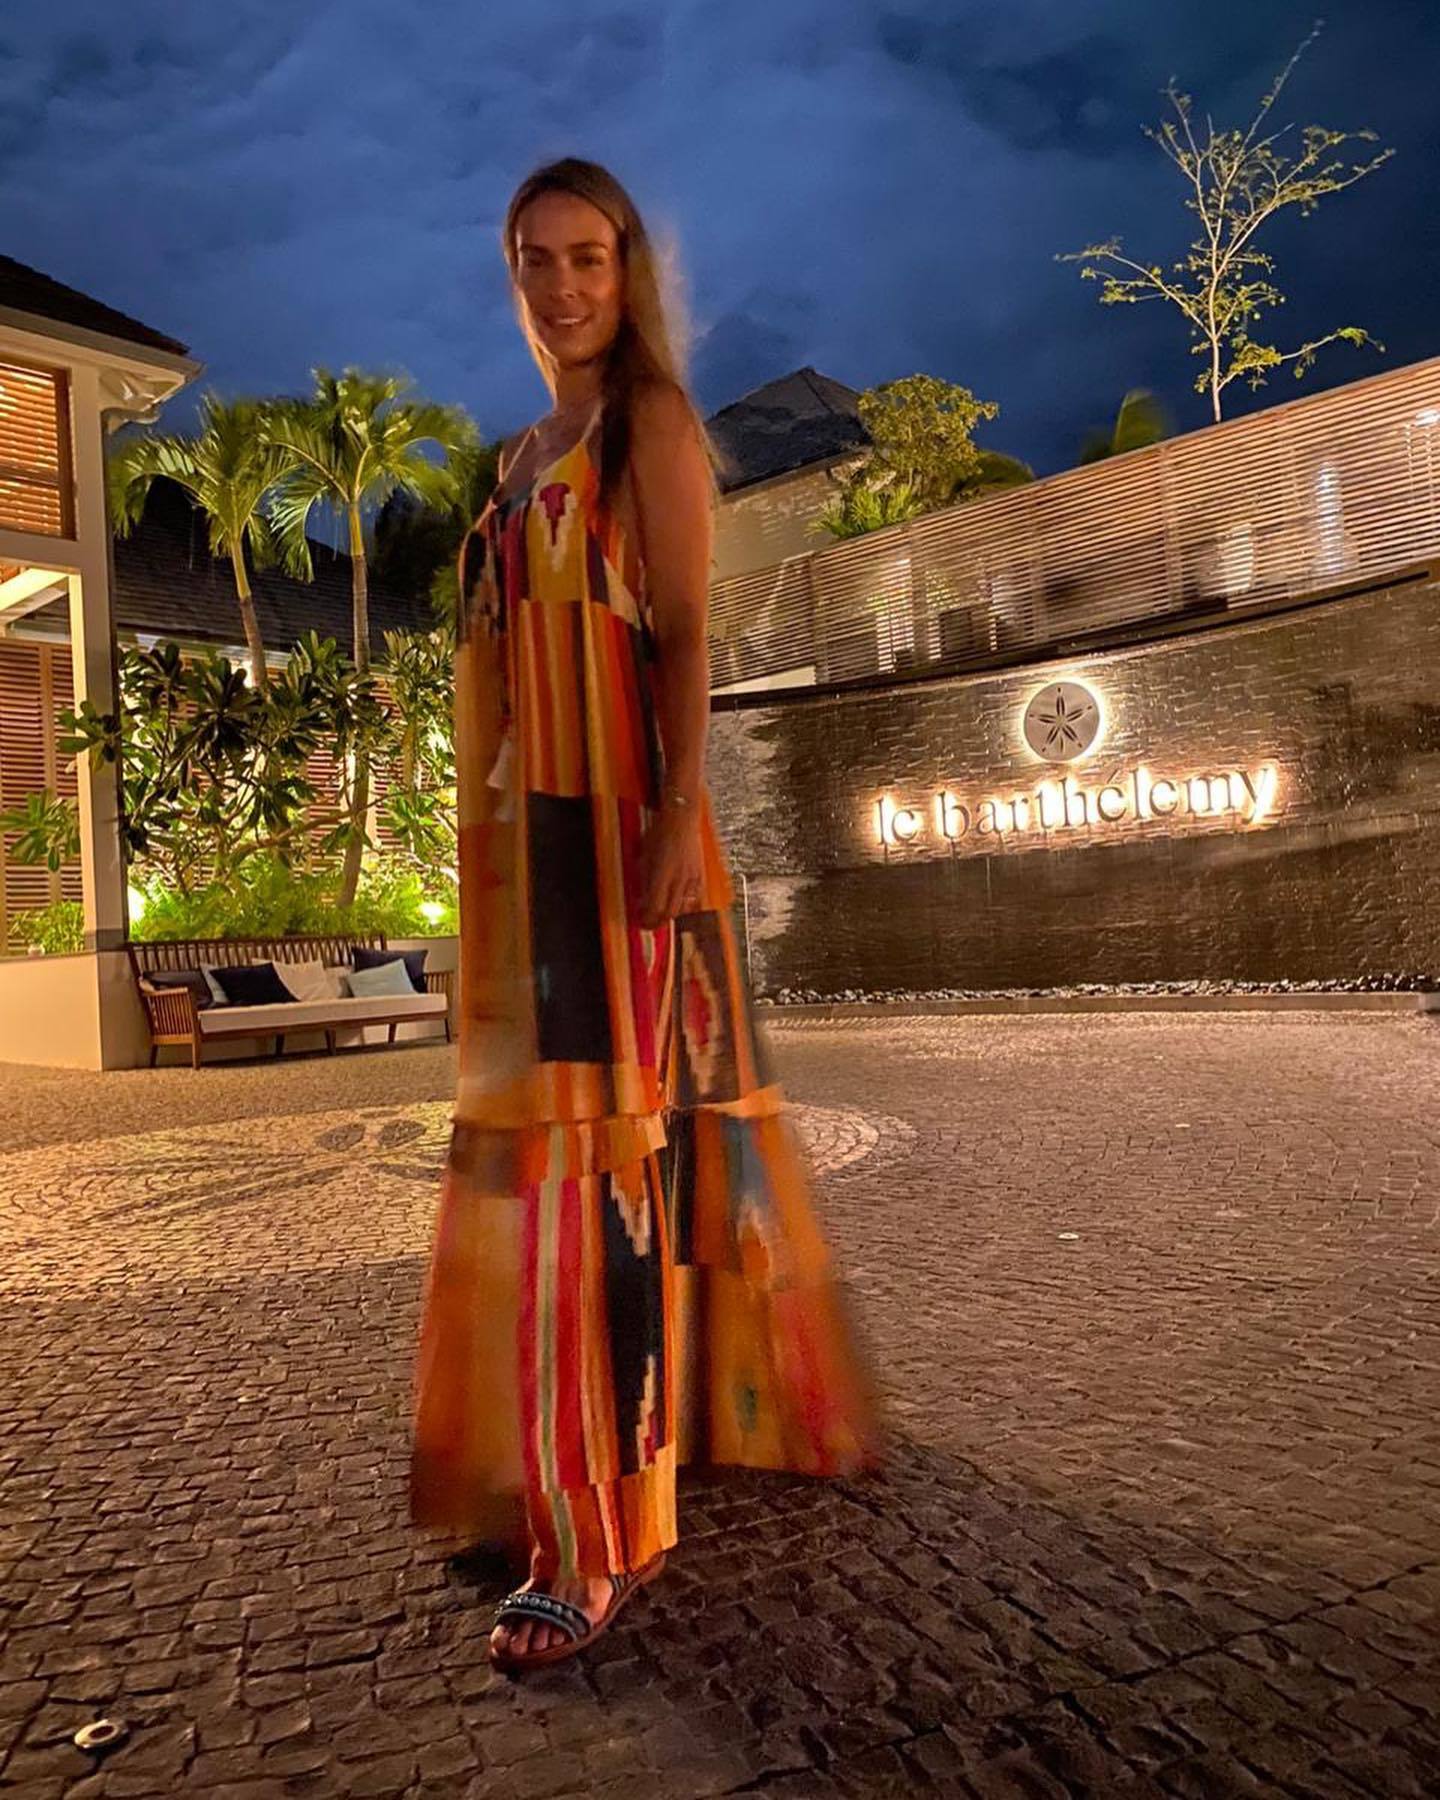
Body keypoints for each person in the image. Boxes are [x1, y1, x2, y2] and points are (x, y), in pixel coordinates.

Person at [410, 156, 880, 1675]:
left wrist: (680, 814)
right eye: (534, 260)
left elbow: (681, 635)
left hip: (620, 829)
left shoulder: (651, 426)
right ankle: (589, 1449)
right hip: (524, 851)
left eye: (588, 258)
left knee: (603, 1166)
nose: (561, 287)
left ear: (629, 275)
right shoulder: (517, 457)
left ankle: (596, 1532)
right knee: (559, 1157)